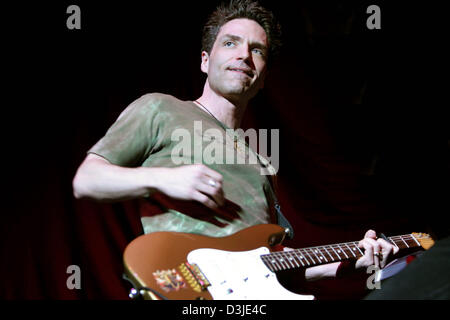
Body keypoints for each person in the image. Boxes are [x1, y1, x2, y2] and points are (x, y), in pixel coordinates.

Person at [72, 0, 397, 289]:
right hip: (183, 285)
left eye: (257, 50)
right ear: (204, 60)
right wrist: (163, 178)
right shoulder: (161, 108)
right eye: (230, 43)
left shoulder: (260, 162)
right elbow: (87, 180)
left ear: (263, 77)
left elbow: (271, 266)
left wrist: (348, 263)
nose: (244, 54)